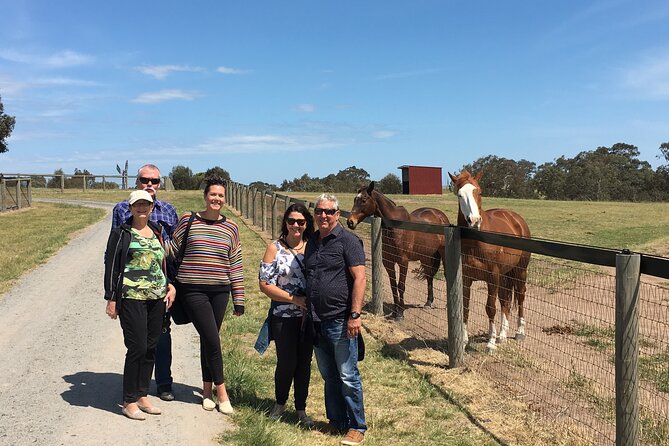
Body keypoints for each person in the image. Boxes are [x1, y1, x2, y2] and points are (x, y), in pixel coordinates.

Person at [167, 177, 244, 415]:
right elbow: (171, 251)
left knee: (208, 338)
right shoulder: (188, 220)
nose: (217, 199)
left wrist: (238, 298)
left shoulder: (231, 228)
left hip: (220, 290)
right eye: (213, 195)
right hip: (193, 289)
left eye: (221, 196)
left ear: (225, 198)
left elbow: (236, 264)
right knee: (212, 338)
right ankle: (223, 393)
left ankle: (206, 390)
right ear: (205, 196)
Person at [104, 190, 176, 420]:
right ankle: (128, 400)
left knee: (151, 345)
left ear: (152, 207)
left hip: (156, 297)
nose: (142, 208)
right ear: (131, 208)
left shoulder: (157, 231)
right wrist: (111, 298)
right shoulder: (122, 233)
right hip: (131, 297)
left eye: (146, 204)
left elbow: (162, 262)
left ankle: (143, 394)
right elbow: (112, 266)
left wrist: (170, 285)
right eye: (138, 205)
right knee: (136, 347)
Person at [304, 193, 367, 446]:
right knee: (329, 374)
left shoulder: (348, 241)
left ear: (337, 214)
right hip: (316, 320)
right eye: (320, 211)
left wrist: (354, 315)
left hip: (341, 320)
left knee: (347, 375)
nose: (324, 216)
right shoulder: (313, 242)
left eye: (329, 211)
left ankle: (356, 426)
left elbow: (360, 278)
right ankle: (336, 421)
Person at [257, 203, 315, 427]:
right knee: (287, 362)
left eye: (300, 221)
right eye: (291, 221)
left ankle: (301, 410)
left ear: (306, 223)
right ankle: (279, 404)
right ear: (285, 223)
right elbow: (264, 284)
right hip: (283, 315)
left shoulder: (312, 247)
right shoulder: (274, 248)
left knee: (304, 364)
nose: (296, 226)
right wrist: (294, 299)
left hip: (307, 317)